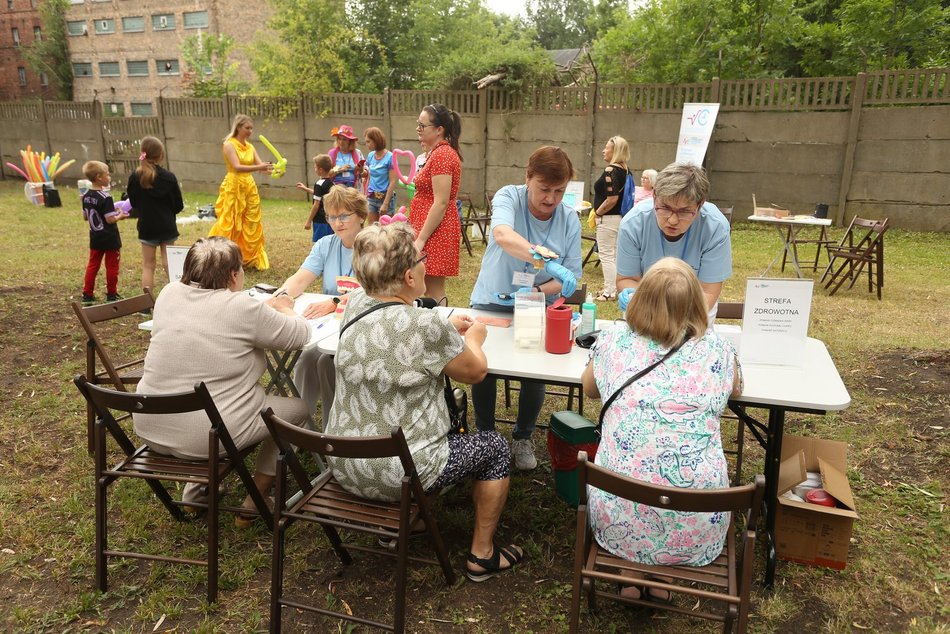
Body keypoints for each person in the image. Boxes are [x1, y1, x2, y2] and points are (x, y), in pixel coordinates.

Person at [326, 222, 524, 582]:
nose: (425, 264)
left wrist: (441, 325)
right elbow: (476, 371)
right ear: (409, 277)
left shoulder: (355, 303)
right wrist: (476, 336)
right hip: (400, 473)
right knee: (494, 446)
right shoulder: (424, 327)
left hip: (345, 461)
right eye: (422, 259)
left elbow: (397, 321)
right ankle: (482, 554)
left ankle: (407, 521)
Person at [581, 257, 742, 600]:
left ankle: (631, 571)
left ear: (639, 298)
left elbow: (590, 389)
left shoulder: (613, 340)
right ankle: (661, 581)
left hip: (616, 512)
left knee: (635, 484)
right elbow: (737, 389)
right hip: (698, 519)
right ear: (696, 304)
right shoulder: (718, 350)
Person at [134, 237, 311, 526]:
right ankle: (256, 498)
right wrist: (285, 307)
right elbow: (299, 334)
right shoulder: (242, 307)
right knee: (298, 411)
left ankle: (197, 490)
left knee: (212, 400)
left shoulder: (168, 294)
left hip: (150, 424)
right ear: (233, 275)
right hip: (206, 436)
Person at [469, 146, 582, 471]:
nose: (551, 198)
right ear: (528, 178)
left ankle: (522, 436)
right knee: (482, 368)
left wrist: (538, 288)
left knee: (533, 370)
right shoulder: (510, 197)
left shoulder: (568, 219)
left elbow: (570, 276)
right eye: (544, 189)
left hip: (534, 304)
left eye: (559, 191)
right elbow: (503, 235)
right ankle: (486, 435)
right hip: (493, 297)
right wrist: (541, 257)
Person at [275, 186, 369, 429]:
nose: (337, 222)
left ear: (360, 215)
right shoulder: (325, 244)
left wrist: (336, 302)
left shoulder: (374, 244)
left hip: (363, 323)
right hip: (329, 326)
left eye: (344, 216)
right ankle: (300, 426)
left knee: (326, 363)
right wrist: (280, 297)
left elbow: (377, 291)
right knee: (306, 359)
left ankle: (333, 428)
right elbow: (300, 279)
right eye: (331, 217)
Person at [616, 162, 731, 321]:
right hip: (646, 309)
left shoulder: (715, 227)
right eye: (665, 208)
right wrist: (635, 298)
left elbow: (707, 291)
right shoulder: (633, 224)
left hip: (693, 309)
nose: (673, 220)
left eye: (684, 211)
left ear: (700, 205)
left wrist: (679, 324)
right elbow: (627, 279)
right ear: (654, 196)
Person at [409, 103, 463, 303]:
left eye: (422, 125)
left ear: (439, 130)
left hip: (434, 232)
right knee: (426, 288)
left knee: (433, 290)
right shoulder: (437, 153)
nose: (418, 129)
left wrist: (421, 240)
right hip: (429, 229)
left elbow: (440, 202)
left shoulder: (442, 155)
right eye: (418, 124)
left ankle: (442, 329)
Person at [208, 114, 273, 271]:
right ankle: (222, 256)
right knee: (231, 221)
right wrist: (260, 167)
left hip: (249, 186)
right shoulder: (229, 144)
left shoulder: (250, 147)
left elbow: (260, 166)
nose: (250, 131)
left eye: (251, 128)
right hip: (234, 185)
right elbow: (237, 166)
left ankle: (248, 257)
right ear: (238, 127)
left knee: (251, 221)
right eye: (247, 128)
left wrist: (273, 169)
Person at [127, 136, 184, 294]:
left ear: (143, 153)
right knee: (169, 264)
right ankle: (178, 299)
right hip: (167, 226)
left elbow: (134, 202)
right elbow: (178, 205)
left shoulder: (135, 177)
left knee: (148, 265)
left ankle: (146, 304)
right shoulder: (169, 178)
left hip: (147, 226)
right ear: (160, 155)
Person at [81, 160, 128, 305]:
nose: (109, 177)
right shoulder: (105, 197)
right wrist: (120, 215)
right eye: (107, 174)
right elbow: (110, 219)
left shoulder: (86, 195)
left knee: (93, 265)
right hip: (109, 238)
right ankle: (111, 294)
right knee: (112, 266)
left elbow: (85, 216)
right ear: (99, 177)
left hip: (95, 238)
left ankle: (87, 295)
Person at [591, 136, 631, 302]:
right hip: (619, 218)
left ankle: (610, 291)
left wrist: (598, 213)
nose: (603, 150)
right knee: (614, 256)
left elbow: (612, 199)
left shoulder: (610, 171)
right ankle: (614, 289)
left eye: (606, 147)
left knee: (606, 256)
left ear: (615, 151)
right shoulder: (625, 169)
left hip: (608, 219)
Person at [295, 154, 334, 243]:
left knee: (319, 243)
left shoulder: (319, 184)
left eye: (315, 167)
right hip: (329, 219)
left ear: (320, 170)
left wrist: (309, 221)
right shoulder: (331, 183)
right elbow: (321, 195)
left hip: (320, 220)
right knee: (329, 242)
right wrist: (306, 189)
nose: (315, 169)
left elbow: (316, 205)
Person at [362, 126, 397, 224]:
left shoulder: (391, 157)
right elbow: (368, 175)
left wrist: (385, 203)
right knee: (372, 229)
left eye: (368, 141)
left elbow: (393, 181)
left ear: (376, 140)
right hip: (372, 197)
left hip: (385, 197)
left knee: (386, 231)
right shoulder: (370, 156)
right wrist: (360, 171)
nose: (366, 144)